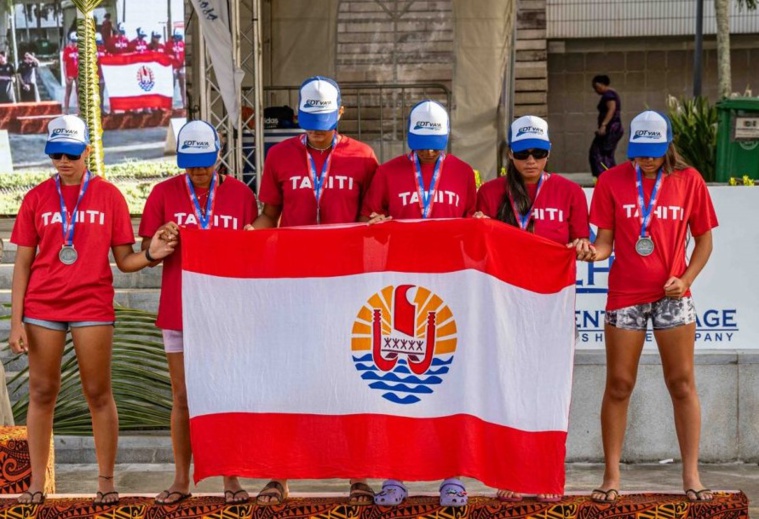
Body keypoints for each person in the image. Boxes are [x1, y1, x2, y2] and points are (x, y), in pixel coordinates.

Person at [8, 115, 176, 506]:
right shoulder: (36, 198)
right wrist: (16, 321)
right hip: (42, 306)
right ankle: (36, 484)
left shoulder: (109, 196)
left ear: (86, 151)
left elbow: (125, 260)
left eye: (71, 154)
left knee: (98, 393)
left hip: (91, 304)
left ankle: (106, 481)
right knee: (41, 392)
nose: (63, 162)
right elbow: (22, 264)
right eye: (56, 155)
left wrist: (152, 255)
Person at [251, 76, 378, 506]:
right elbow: (269, 214)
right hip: (294, 283)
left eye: (325, 122)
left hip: (348, 285)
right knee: (289, 378)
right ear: (298, 116)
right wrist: (243, 237)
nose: (318, 131)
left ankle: (358, 475)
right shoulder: (280, 155)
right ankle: (279, 474)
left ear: (340, 112)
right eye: (310, 122)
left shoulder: (363, 156)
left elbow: (372, 219)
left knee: (353, 378)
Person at [585, 111, 718, 504]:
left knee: (682, 384)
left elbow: (704, 241)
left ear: (667, 146)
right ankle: (611, 476)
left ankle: (691, 475)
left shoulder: (689, 180)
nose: (645, 160)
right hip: (625, 296)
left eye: (653, 153)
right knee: (619, 384)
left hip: (672, 298)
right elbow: (605, 243)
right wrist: (590, 253)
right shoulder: (611, 181)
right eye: (639, 152)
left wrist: (686, 280)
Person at [362, 100, 476, 508]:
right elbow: (368, 222)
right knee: (397, 386)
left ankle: (452, 476)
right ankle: (395, 474)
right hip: (399, 289)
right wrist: (376, 224)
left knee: (448, 382)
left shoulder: (463, 173)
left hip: (449, 289)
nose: (428, 150)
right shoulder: (388, 172)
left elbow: (473, 227)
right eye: (421, 143)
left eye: (435, 143)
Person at [140, 120, 258, 506]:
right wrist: (159, 242)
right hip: (179, 308)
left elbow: (253, 251)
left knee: (224, 393)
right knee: (182, 397)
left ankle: (231, 478)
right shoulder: (163, 193)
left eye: (204, 162)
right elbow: (148, 251)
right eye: (190, 163)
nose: (197, 170)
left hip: (226, 311)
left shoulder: (240, 194)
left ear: (218, 156)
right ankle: (181, 479)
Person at [475, 115, 591, 503]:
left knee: (549, 392)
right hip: (503, 306)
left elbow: (584, 242)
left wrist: (583, 248)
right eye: (523, 153)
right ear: (510, 153)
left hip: (551, 306)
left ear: (548, 153)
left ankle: (545, 475)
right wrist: (478, 227)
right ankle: (512, 472)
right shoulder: (490, 193)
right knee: (508, 389)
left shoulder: (569, 192)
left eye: (538, 153)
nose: (530, 161)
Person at [589, 75, 624, 178]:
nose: (596, 90)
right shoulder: (611, 94)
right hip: (613, 128)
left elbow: (611, 109)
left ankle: (607, 176)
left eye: (596, 87)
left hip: (611, 129)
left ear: (601, 84)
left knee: (600, 153)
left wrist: (604, 125)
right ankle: (609, 175)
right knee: (604, 153)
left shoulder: (609, 95)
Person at [167, 31, 186, 108]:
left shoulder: (182, 44)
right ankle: (169, 103)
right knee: (172, 85)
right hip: (173, 67)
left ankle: (184, 102)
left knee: (182, 85)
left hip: (181, 66)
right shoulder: (169, 44)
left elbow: (184, 54)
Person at [62, 33, 79, 114]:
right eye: (73, 41)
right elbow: (64, 65)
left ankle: (79, 110)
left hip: (78, 73)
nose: (74, 43)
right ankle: (66, 110)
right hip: (70, 73)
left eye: (76, 41)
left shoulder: (78, 49)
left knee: (79, 92)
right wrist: (65, 77)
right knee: (68, 91)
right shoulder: (67, 50)